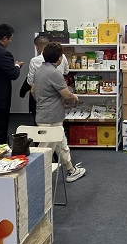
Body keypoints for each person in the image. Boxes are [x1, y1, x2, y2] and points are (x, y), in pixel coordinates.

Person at [31, 42, 86, 183]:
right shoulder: (54, 73)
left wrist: (43, 101)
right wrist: (75, 97)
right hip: (51, 116)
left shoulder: (39, 70)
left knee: (61, 145)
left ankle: (71, 170)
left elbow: (33, 91)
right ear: (59, 57)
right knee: (45, 150)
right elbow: (66, 94)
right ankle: (36, 179)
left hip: (44, 113)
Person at [19, 35, 70, 116]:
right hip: (58, 93)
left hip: (41, 96)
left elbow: (30, 82)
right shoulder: (62, 56)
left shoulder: (34, 61)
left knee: (40, 120)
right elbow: (66, 72)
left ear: (37, 47)